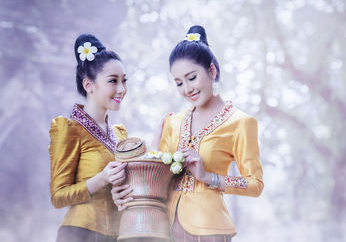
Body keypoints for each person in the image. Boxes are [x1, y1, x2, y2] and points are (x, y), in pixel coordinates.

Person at [113, 25, 264, 242]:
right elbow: (158, 179)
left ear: (211, 71)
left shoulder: (241, 123)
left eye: (192, 77)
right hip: (162, 229)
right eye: (178, 83)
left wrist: (207, 177)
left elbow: (255, 185)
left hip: (209, 231)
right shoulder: (173, 122)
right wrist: (154, 146)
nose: (187, 89)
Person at [49, 34, 131, 242]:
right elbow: (58, 197)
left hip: (118, 235)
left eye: (124, 81)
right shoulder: (69, 129)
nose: (122, 89)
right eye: (113, 81)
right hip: (80, 234)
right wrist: (101, 179)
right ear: (88, 85)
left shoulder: (121, 134)